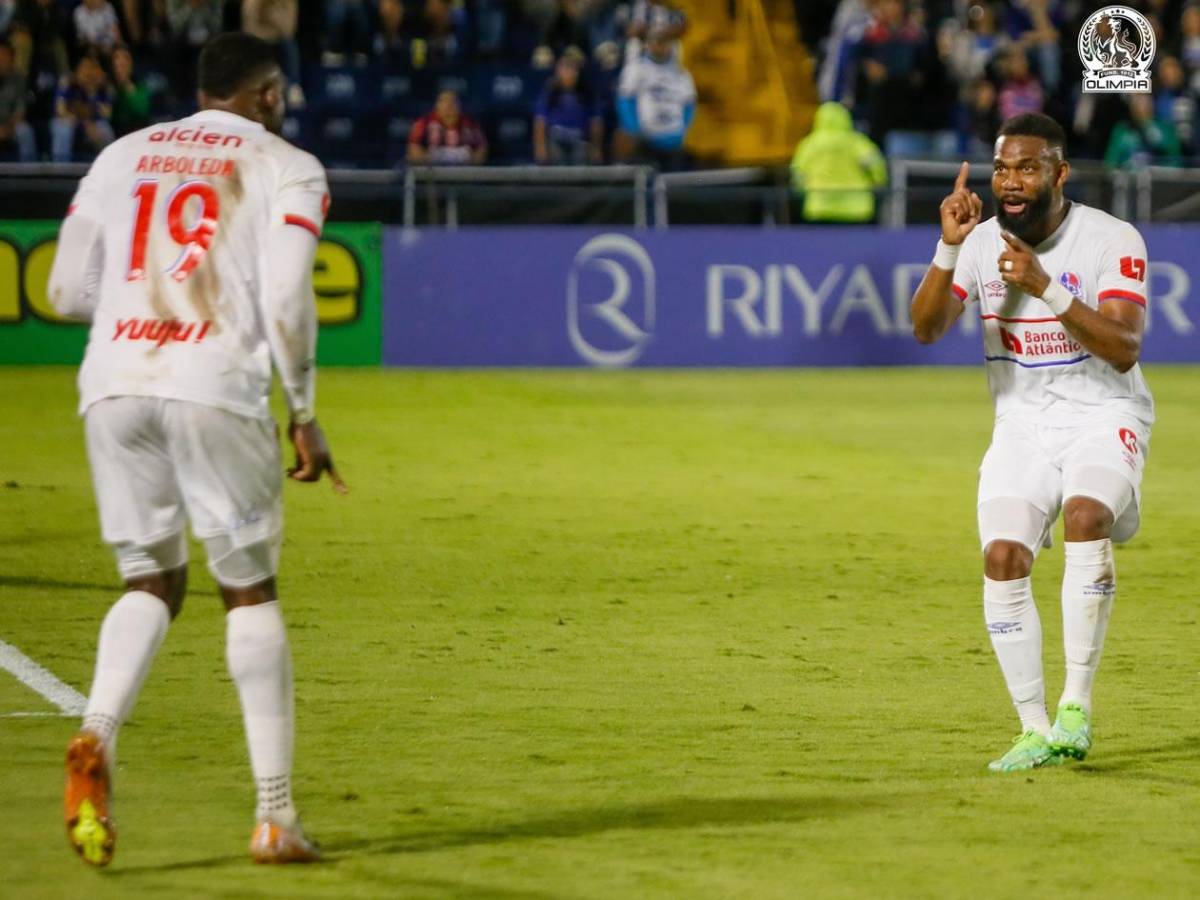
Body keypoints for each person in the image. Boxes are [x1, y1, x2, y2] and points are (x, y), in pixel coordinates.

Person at [49, 30, 344, 867]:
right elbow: (287, 295)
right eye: (278, 91)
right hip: (213, 381)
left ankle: (98, 732)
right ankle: (275, 817)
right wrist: (305, 411)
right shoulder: (288, 165)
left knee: (152, 578)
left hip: (113, 383)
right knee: (247, 589)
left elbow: (66, 289)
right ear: (264, 94)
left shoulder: (121, 155)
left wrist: (137, 307)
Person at [910, 113, 1154, 773]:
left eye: (1026, 167)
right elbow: (926, 328)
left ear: (1059, 174)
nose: (1009, 182)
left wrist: (1045, 287)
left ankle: (1076, 706)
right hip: (1021, 423)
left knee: (1085, 516)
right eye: (1001, 168)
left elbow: (1125, 349)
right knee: (1003, 556)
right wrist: (949, 248)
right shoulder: (983, 242)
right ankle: (1033, 728)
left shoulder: (1111, 238)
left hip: (1104, 411)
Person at [789, 100, 886, 223]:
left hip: (819, 208)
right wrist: (877, 183)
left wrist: (804, 193)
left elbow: (797, 176)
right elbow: (877, 167)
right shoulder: (858, 142)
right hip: (857, 209)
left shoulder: (809, 145)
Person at [615, 26, 694, 170]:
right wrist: (634, 130)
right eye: (657, 41)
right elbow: (625, 102)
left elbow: (689, 105)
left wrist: (682, 130)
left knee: (674, 186)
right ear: (648, 44)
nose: (660, 46)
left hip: (673, 140)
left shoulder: (681, 73)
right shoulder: (636, 69)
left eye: (664, 42)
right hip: (646, 141)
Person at [533, 52, 603, 164]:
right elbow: (540, 121)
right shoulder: (550, 92)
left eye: (571, 69)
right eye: (564, 68)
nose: (567, 73)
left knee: (581, 157)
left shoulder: (587, 93)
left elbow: (596, 123)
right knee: (556, 158)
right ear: (557, 72)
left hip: (579, 138)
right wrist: (540, 147)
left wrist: (596, 148)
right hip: (556, 137)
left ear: (577, 72)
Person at [51, 51, 113, 161]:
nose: (88, 72)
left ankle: (106, 169)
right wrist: (84, 123)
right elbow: (60, 110)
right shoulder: (67, 82)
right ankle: (61, 171)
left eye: (92, 68)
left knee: (104, 129)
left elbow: (107, 113)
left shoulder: (101, 86)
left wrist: (92, 92)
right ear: (77, 70)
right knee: (64, 128)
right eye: (85, 67)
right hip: (70, 122)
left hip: (92, 123)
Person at [1104, 93, 1183, 169]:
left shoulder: (1165, 129)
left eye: (1144, 97)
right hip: (1127, 179)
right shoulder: (1121, 130)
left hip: (1158, 179)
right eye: (1136, 98)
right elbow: (1110, 163)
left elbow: (1175, 162)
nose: (1140, 102)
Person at [407, 89, 487, 164]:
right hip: (431, 174)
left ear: (459, 106)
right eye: (444, 101)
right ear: (436, 106)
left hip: (463, 174)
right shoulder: (423, 123)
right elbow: (413, 151)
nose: (448, 106)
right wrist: (431, 158)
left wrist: (469, 159)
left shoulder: (471, 124)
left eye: (453, 102)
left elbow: (482, 150)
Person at [0, 38, 36, 160]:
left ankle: (29, 174)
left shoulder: (19, 79)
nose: (2, 59)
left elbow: (20, 110)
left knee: (24, 131)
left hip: (11, 126)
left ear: (12, 58)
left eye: (5, 55)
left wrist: (7, 129)